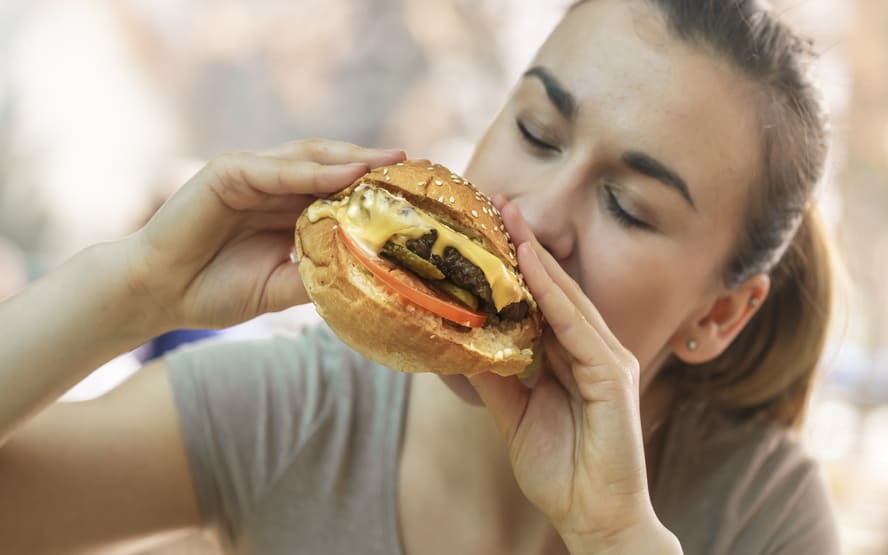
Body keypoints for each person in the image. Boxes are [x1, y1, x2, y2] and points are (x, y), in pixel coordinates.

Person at [0, 0, 839, 553]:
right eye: (538, 131)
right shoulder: (288, 411)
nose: (536, 216)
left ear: (721, 315)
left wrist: (618, 535)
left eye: (627, 204)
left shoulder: (759, 510)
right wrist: (136, 285)